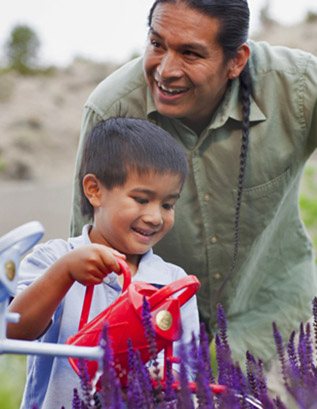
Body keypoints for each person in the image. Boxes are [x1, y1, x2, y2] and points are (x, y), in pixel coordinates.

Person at [71, 0, 317, 389]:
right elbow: (88, 256)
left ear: (236, 61)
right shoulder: (112, 111)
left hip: (282, 328)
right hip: (157, 348)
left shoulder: (299, 86)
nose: (165, 70)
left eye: (190, 53)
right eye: (156, 43)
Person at [7, 117, 200, 409]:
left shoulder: (173, 283)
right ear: (94, 190)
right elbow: (14, 330)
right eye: (141, 199)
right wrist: (65, 273)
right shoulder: (53, 259)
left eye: (167, 204)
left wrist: (162, 376)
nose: (155, 217)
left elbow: (185, 366)